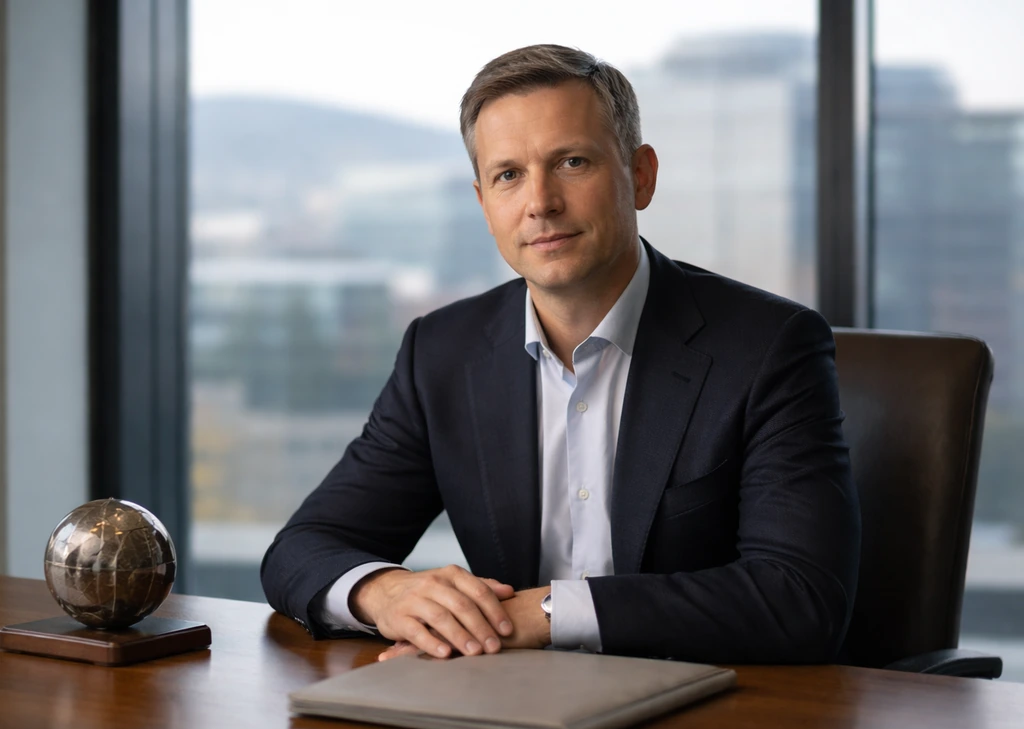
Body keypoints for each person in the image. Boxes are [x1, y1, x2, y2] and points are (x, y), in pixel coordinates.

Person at [261, 44, 860, 664]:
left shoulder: (769, 346)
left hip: (711, 714)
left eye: (572, 162)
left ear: (642, 175)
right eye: (508, 175)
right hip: (510, 711)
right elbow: (304, 547)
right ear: (484, 204)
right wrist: (386, 593)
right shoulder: (442, 352)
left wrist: (543, 613)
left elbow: (800, 597)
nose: (539, 202)